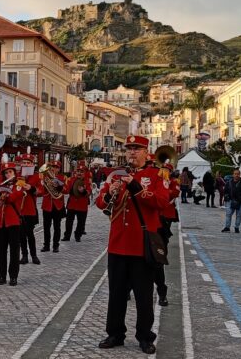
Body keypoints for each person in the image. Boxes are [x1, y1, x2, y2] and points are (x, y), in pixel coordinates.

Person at [96, 135, 167, 355]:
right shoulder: (116, 174)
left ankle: (145, 336)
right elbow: (100, 202)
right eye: (129, 150)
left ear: (147, 152)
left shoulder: (156, 175)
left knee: (143, 295)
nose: (132, 153)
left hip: (141, 245)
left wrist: (135, 186)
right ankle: (115, 333)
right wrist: (110, 191)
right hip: (118, 243)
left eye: (136, 149)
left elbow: (161, 202)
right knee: (116, 293)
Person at [0, 162, 24, 287]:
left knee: (14, 251)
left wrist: (0, 193)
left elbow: (12, 198)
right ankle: (1, 276)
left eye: (10, 172)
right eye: (5, 172)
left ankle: (13, 276)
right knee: (1, 251)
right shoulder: (1, 186)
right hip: (0, 222)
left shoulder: (19, 184)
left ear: (14, 173)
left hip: (13, 221)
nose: (8, 174)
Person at [153, 164, 180, 306]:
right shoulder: (155, 183)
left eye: (166, 170)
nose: (163, 172)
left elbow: (172, 194)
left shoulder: (172, 182)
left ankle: (162, 293)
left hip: (163, 220)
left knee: (158, 262)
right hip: (149, 224)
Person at [14, 154, 40, 265]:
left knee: (30, 233)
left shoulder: (36, 176)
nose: (25, 164)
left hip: (29, 209)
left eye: (28, 162)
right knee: (21, 234)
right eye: (24, 162)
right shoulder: (16, 175)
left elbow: (41, 191)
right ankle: (24, 255)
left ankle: (34, 255)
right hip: (19, 209)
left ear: (32, 164)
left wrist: (32, 188)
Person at [40, 160, 66, 253]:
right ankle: (46, 245)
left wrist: (58, 186)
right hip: (47, 205)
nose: (54, 169)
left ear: (59, 169)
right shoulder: (44, 177)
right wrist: (43, 184)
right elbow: (40, 192)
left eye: (56, 167)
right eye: (52, 167)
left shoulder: (62, 177)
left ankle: (56, 245)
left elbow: (66, 190)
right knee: (46, 227)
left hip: (57, 205)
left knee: (57, 227)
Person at [63, 166, 92, 243]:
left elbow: (89, 192)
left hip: (82, 205)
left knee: (81, 222)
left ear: (84, 173)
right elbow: (66, 190)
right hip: (72, 204)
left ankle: (78, 235)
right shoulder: (71, 180)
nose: (79, 173)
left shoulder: (87, 181)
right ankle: (67, 236)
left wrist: (84, 191)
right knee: (69, 221)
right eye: (78, 171)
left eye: (81, 171)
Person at [221, 169, 241, 233]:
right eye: (235, 174)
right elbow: (225, 191)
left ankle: (237, 227)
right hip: (230, 200)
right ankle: (227, 227)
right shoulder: (229, 182)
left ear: (240, 174)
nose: (236, 175)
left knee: (239, 215)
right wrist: (226, 197)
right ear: (233, 174)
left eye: (238, 174)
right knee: (228, 214)